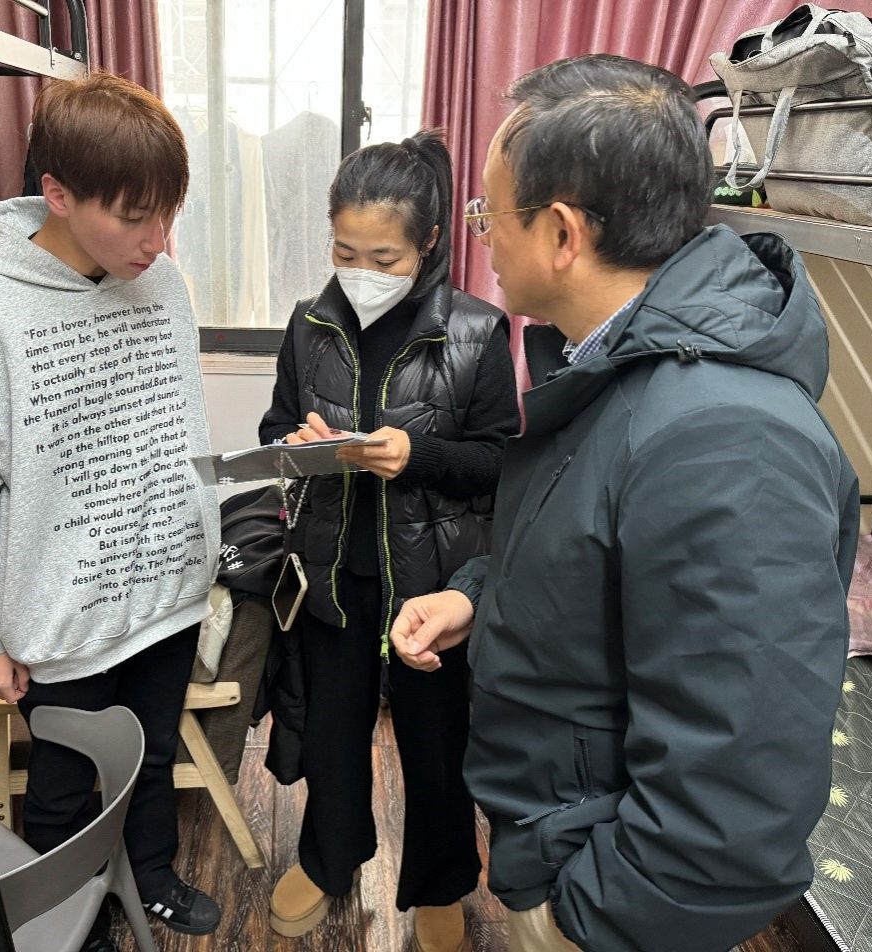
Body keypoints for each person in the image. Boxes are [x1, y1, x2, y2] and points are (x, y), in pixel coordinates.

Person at [391, 55, 860, 952]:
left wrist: (585, 918)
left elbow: (738, 799)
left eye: (490, 214)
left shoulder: (727, 439)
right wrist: (478, 596)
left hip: (601, 904)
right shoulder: (612, 367)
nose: (483, 238)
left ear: (562, 232)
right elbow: (591, 560)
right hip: (553, 838)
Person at [0, 72, 222, 948]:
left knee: (152, 756)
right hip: (59, 616)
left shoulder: (161, 285)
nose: (157, 242)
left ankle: (152, 878)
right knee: (61, 785)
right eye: (134, 217)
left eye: (169, 215)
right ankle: (62, 914)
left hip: (165, 592)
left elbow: (176, 426)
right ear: (57, 193)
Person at [258, 130, 520, 952]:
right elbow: (275, 430)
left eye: (383, 257)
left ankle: (441, 882)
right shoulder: (309, 324)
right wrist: (299, 446)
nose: (360, 271)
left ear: (429, 242)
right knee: (331, 736)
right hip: (335, 573)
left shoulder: (475, 331)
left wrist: (418, 455)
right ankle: (329, 858)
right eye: (345, 252)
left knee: (437, 749)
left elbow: (502, 463)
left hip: (433, 583)